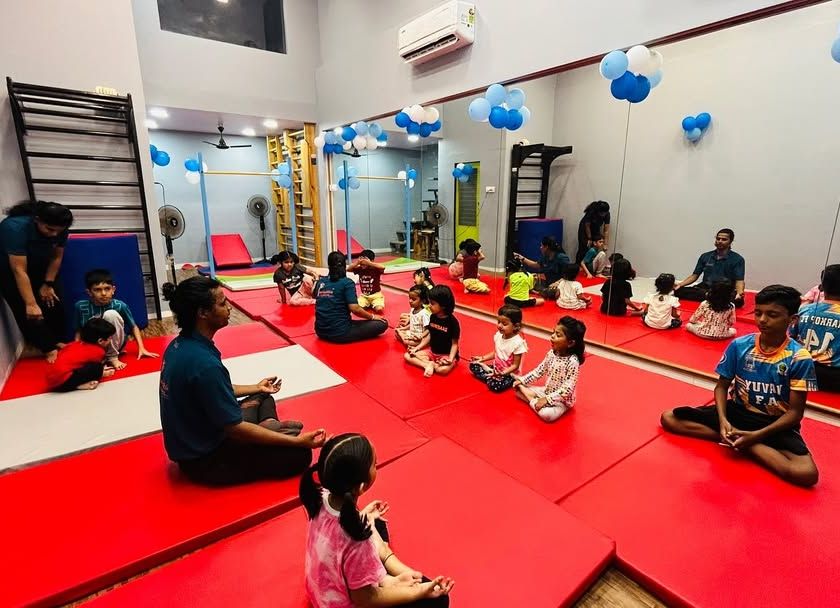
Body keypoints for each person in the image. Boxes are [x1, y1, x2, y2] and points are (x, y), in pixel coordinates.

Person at [159, 276, 325, 486]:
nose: (229, 307)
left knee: (263, 396)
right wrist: (296, 441)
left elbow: (213, 390)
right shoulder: (203, 364)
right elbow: (235, 429)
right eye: (222, 304)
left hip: (199, 436)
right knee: (300, 456)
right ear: (203, 313)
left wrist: (257, 387)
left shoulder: (180, 345)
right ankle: (271, 431)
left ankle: (269, 427)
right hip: (205, 458)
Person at [661, 285, 819, 488]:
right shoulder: (740, 346)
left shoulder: (799, 357)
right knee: (670, 418)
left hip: (774, 422)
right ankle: (734, 435)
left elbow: (795, 413)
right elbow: (721, 387)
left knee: (806, 474)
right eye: (758, 313)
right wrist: (723, 421)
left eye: (772, 315)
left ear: (792, 319)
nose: (762, 320)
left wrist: (755, 437)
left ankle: (748, 444)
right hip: (737, 412)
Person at [300, 433, 455, 607]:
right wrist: (417, 592)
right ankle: (387, 567)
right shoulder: (357, 541)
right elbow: (366, 599)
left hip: (323, 591)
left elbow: (336, 536)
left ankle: (386, 571)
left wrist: (364, 516)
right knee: (439, 599)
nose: (376, 465)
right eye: (374, 464)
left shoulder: (320, 496)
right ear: (361, 487)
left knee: (376, 522)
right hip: (343, 602)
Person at [0, 200, 73, 362]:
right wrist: (31, 303)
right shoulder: (14, 228)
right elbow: (19, 270)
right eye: (50, 229)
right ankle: (47, 348)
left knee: (53, 301)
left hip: (40, 264)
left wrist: (48, 284)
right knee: (28, 310)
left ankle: (58, 341)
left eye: (59, 231)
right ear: (37, 220)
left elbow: (56, 257)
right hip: (11, 269)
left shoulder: (60, 229)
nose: (54, 234)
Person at [74, 268, 158, 370]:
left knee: (111, 314)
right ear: (89, 292)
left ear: (113, 290)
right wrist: (76, 350)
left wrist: (142, 348)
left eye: (107, 289)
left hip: (114, 343)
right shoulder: (80, 307)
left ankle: (112, 357)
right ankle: (97, 358)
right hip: (92, 346)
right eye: (97, 290)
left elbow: (133, 326)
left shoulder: (120, 305)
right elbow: (79, 330)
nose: (103, 293)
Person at [513, 316, 586, 422]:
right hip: (547, 391)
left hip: (562, 401)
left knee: (547, 415)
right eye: (553, 332)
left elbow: (567, 389)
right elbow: (539, 370)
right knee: (517, 392)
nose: (552, 336)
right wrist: (522, 380)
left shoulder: (573, 361)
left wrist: (547, 399)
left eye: (558, 335)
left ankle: (533, 399)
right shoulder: (551, 353)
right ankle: (535, 400)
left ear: (570, 343)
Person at [315, 252, 388, 344]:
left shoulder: (321, 282)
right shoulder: (347, 282)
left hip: (320, 331)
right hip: (340, 333)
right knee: (382, 323)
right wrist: (372, 317)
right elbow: (355, 309)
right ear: (343, 265)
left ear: (329, 265)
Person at [791, 264, 840, 392]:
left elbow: (791, 339)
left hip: (801, 372)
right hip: (835, 379)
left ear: (821, 287)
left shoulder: (803, 310)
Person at [674, 228, 746, 308]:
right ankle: (711, 297)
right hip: (705, 288)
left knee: (738, 301)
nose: (720, 241)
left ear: (731, 241)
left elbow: (739, 280)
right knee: (678, 291)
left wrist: (739, 293)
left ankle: (711, 297)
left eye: (724, 239)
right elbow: (694, 275)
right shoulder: (705, 256)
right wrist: (680, 285)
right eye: (718, 238)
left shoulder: (738, 259)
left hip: (724, 291)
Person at [470, 305, 529, 392]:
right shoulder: (499, 335)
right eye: (498, 322)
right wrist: (482, 358)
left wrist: (503, 373)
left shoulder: (518, 343)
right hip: (496, 369)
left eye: (504, 324)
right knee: (473, 365)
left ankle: (489, 378)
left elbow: (515, 366)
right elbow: (496, 353)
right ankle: (490, 377)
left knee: (495, 386)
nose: (500, 326)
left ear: (516, 326)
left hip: (509, 374)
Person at [46, 318, 116, 392]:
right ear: (100, 341)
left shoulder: (74, 344)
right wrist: (101, 372)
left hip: (51, 381)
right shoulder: (99, 351)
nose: (111, 340)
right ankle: (77, 386)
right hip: (63, 384)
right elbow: (93, 366)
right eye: (109, 338)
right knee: (98, 368)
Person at [405, 285, 460, 377]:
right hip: (432, 352)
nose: (429, 305)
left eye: (432, 303)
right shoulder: (433, 317)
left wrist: (450, 359)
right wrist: (417, 348)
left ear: (443, 305)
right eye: (429, 302)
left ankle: (433, 364)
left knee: (442, 370)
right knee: (407, 355)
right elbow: (430, 335)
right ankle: (427, 364)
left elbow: (455, 344)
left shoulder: (453, 322)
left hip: (446, 354)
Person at [395, 285, 430, 349]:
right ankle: (405, 339)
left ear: (423, 301)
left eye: (413, 299)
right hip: (411, 333)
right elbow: (411, 324)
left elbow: (428, 329)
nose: (410, 301)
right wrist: (403, 329)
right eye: (410, 298)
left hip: (418, 338)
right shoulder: (412, 310)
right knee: (396, 333)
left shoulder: (424, 314)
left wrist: (420, 336)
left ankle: (406, 341)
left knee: (406, 341)